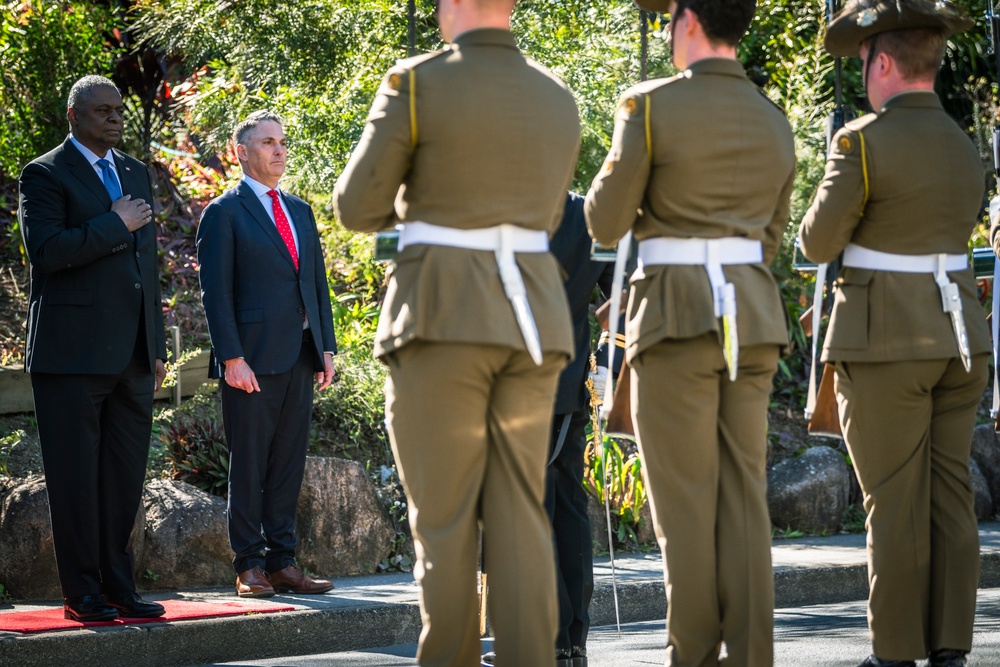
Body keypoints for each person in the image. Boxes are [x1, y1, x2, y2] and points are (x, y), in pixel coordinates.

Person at [332, 0, 581, 663]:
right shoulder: (556, 94)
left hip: (443, 312)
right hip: (533, 317)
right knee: (522, 514)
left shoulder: (416, 82)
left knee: (444, 524)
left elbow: (356, 205)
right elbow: (550, 210)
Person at [585, 0, 796, 664]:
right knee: (743, 502)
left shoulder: (649, 106)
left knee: (684, 511)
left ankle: (695, 656)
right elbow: (771, 236)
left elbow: (603, 221)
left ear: (689, 21)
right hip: (752, 317)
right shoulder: (773, 119)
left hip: (676, 317)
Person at [800, 2, 988, 666]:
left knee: (893, 501)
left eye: (863, 60)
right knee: (950, 495)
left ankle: (894, 652)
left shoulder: (861, 140)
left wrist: (835, 157)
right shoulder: (966, 145)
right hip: (961, 338)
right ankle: (950, 647)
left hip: (886, 342)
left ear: (882, 63)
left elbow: (817, 242)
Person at [18, 74, 167, 622]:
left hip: (131, 356)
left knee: (123, 479)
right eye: (101, 110)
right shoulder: (45, 173)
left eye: (118, 109)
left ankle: (119, 588)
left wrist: (153, 341)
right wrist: (114, 222)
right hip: (71, 354)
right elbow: (47, 251)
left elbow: (145, 265)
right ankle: (81, 593)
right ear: (73, 115)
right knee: (76, 479)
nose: (114, 117)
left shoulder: (134, 172)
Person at [197, 110, 338, 599]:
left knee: (287, 465)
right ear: (241, 152)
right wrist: (231, 357)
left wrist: (326, 347)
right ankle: (249, 566)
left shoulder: (299, 209)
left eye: (282, 142)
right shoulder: (224, 212)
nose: (279, 150)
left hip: (300, 355)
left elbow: (315, 282)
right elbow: (215, 293)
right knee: (250, 463)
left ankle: (283, 563)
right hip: (250, 361)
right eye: (267, 142)